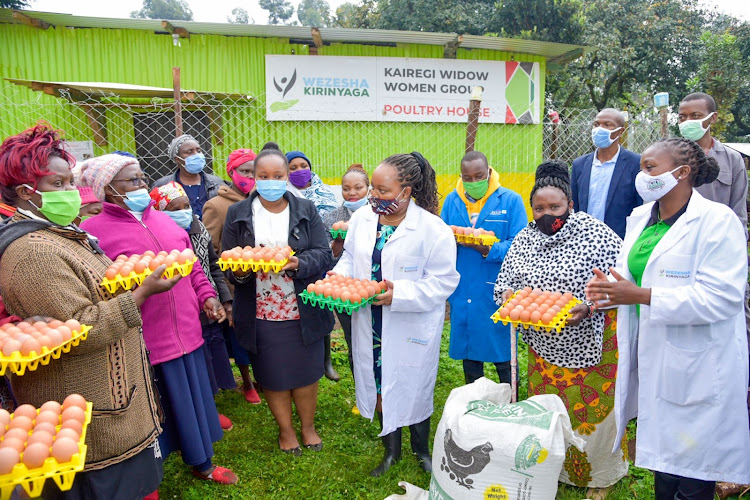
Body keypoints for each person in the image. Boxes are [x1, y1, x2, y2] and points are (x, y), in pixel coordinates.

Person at [0, 124, 181, 499]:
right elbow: (78, 330)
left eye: (69, 182)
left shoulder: (60, 235)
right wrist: (140, 295)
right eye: (57, 185)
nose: (70, 193)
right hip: (90, 414)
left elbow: (91, 297)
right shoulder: (34, 253)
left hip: (111, 400)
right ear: (24, 193)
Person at [586, 137, 750, 499]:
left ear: (683, 172)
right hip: (656, 356)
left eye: (650, 168)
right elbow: (634, 277)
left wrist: (640, 296)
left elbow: (722, 298)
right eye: (642, 167)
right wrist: (610, 292)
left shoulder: (716, 222)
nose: (642, 176)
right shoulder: (641, 218)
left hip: (701, 362)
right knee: (665, 468)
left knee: (695, 472)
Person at [78, 154, 237, 485]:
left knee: (192, 401)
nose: (141, 186)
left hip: (188, 333)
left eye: (141, 179)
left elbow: (192, 264)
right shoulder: (93, 233)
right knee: (154, 410)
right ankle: (151, 476)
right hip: (146, 339)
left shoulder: (165, 221)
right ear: (108, 189)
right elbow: (98, 287)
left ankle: (202, 462)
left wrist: (207, 296)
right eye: (132, 181)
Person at [494, 160, 627, 494]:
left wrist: (591, 306)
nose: (546, 214)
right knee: (550, 412)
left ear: (570, 204)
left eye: (555, 206)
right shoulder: (525, 238)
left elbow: (623, 281)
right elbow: (502, 285)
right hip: (544, 350)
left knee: (592, 416)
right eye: (539, 208)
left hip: (590, 346)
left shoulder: (594, 233)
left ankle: (600, 477)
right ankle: (554, 469)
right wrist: (508, 296)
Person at [332, 152, 460, 476]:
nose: (374, 196)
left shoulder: (433, 229)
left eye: (383, 190)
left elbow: (444, 281)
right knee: (378, 380)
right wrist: (339, 276)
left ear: (407, 191)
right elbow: (349, 256)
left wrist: (398, 294)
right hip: (369, 318)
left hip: (409, 320)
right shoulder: (362, 219)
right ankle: (391, 450)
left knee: (413, 384)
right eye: (373, 188)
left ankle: (420, 449)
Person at [222, 148, 334, 456]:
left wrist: (297, 264)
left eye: (278, 176)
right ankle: (286, 430)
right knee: (273, 374)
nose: (271, 182)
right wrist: (242, 270)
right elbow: (229, 260)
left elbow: (324, 254)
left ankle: (308, 427)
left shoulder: (306, 209)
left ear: (287, 178)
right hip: (262, 310)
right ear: (254, 177)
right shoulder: (239, 213)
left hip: (303, 306)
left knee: (308, 372)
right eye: (263, 176)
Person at [441, 151, 527, 385]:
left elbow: (519, 244)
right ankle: (475, 401)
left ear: (489, 173)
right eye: (467, 177)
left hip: (497, 287)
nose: (473, 182)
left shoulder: (510, 200)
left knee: (503, 353)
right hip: (465, 286)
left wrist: (488, 250)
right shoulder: (452, 201)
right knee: (469, 353)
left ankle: (511, 401)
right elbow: (442, 239)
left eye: (479, 176)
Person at [150, 182, 237, 405]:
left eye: (186, 205)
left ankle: (216, 393)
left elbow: (213, 266)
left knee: (214, 349)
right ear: (159, 213)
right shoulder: (157, 238)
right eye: (174, 209)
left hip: (209, 302)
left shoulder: (199, 228)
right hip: (183, 309)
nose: (184, 212)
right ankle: (204, 402)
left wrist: (224, 298)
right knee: (198, 361)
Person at [203, 148, 261, 405]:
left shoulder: (263, 201)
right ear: (232, 173)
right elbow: (211, 250)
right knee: (240, 337)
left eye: (254, 172)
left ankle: (263, 377)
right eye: (244, 171)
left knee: (262, 334)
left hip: (264, 280)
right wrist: (225, 288)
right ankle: (247, 382)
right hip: (234, 283)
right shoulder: (217, 205)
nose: (250, 176)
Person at [285, 150, 340, 381]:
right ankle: (300, 359)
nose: (299, 171)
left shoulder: (326, 192)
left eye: (303, 165)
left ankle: (326, 361)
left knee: (322, 310)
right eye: (293, 168)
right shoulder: (283, 194)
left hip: (323, 256)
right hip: (293, 259)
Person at [322, 163, 371, 380]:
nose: (351, 193)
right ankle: (362, 390)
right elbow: (328, 257)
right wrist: (338, 241)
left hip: (373, 285)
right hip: (346, 287)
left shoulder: (379, 213)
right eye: (346, 188)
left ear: (368, 189)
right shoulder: (332, 218)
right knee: (354, 340)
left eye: (358, 188)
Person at [571, 108, 642, 239]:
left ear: (620, 131)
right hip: (584, 240)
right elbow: (575, 204)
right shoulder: (579, 165)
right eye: (596, 124)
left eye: (607, 125)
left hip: (619, 240)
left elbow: (640, 206)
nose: (600, 129)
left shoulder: (635, 163)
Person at [153, 134, 227, 220]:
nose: (196, 155)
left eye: (198, 151)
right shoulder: (162, 186)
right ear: (177, 159)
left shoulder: (217, 184)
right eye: (189, 152)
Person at [285, 150, 339, 217]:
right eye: (293, 168)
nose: (300, 170)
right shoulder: (284, 195)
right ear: (286, 172)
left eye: (304, 166)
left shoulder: (325, 190)